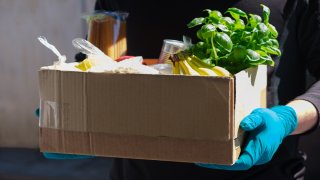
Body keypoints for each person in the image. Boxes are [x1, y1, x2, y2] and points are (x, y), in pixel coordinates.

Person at [93, 0, 320, 179]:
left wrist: (288, 119)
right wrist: (73, 121)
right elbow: (94, 63)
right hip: (137, 172)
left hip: (261, 172)